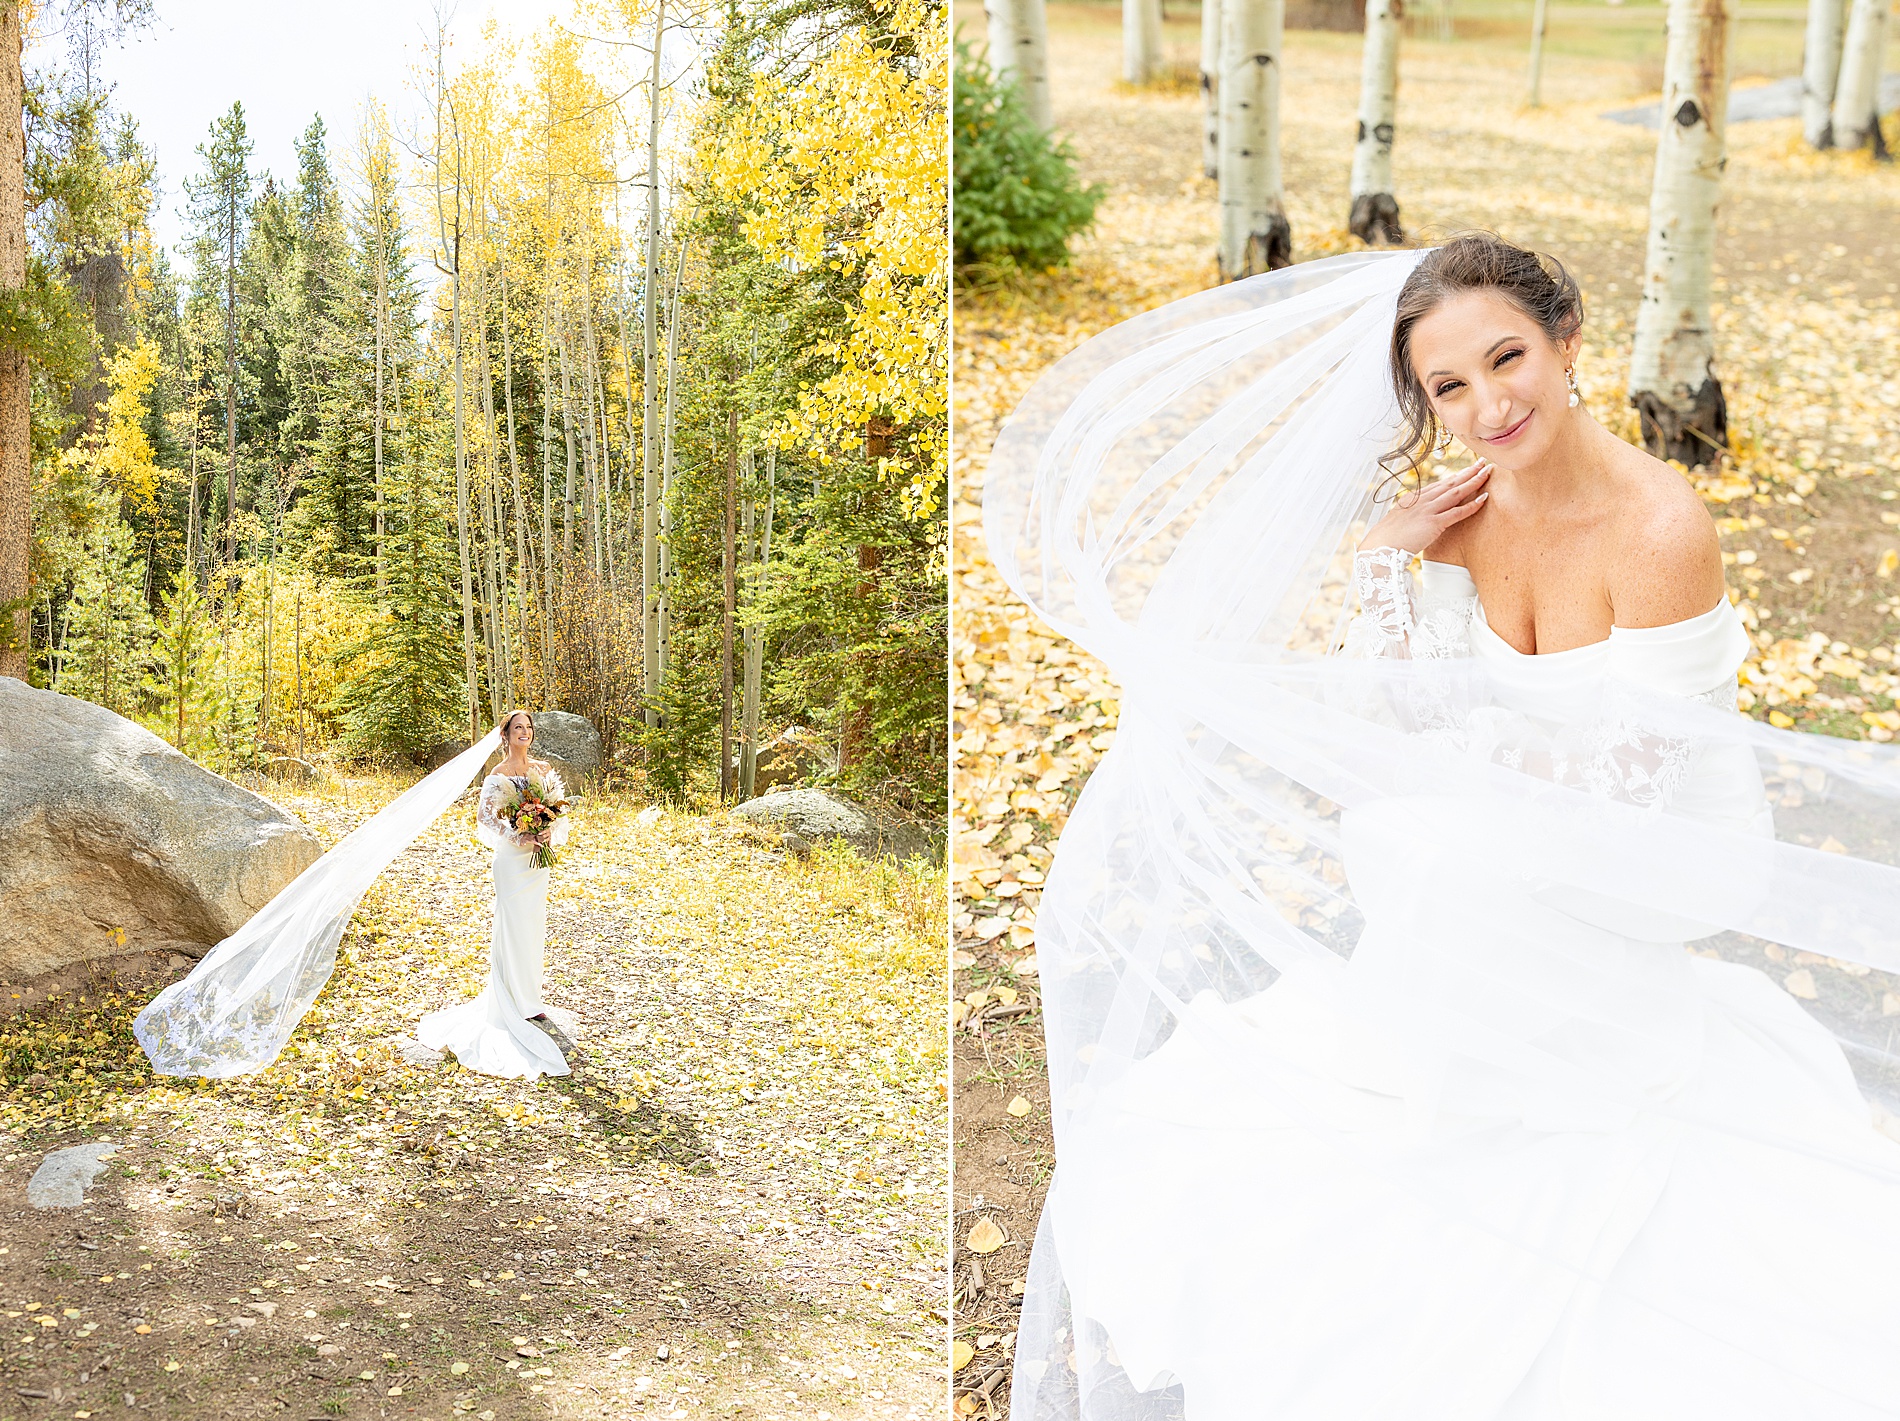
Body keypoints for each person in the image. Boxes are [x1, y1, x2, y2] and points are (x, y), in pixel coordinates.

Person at [985, 235, 1900, 1419]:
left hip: (1667, 844)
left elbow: (1631, 785)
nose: (1488, 406)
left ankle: (1490, 1105)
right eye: (1448, 387)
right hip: (1545, 811)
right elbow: (1405, 712)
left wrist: (1471, 755)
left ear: (1566, 342)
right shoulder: (1471, 510)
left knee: (1438, 850)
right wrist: (1384, 562)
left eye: (1506, 359)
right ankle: (1460, 1095)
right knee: (1409, 837)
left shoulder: (1658, 526)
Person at [417, 709, 573, 1080]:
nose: (525, 732)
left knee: (533, 927)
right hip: (512, 861)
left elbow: (559, 811)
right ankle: (508, 1000)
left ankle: (530, 1000)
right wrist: (518, 835)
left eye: (528, 727)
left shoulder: (543, 769)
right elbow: (485, 818)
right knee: (512, 925)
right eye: (518, 727)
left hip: (538, 861)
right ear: (505, 735)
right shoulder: (498, 775)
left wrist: (548, 831)